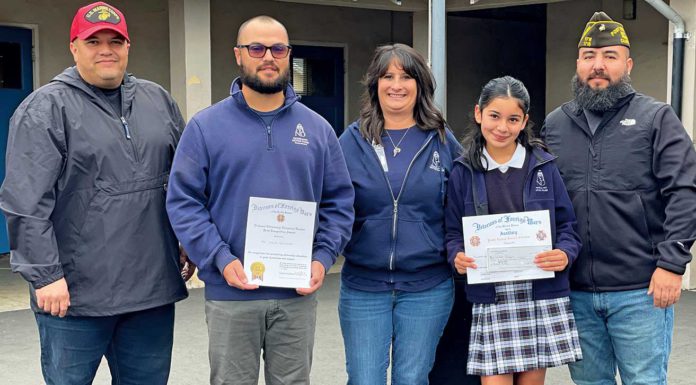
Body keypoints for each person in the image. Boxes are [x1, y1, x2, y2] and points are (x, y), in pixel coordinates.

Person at [0, 2, 192, 384]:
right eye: (94, 41)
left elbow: (185, 181)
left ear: (127, 46)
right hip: (73, 297)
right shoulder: (45, 109)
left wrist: (188, 240)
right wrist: (45, 275)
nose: (106, 49)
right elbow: (25, 202)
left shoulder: (158, 101)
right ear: (74, 47)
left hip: (151, 291)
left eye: (115, 40)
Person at [165, 15, 354, 385]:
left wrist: (322, 257)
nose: (268, 56)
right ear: (239, 55)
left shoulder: (317, 130)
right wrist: (219, 258)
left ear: (288, 55)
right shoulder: (205, 127)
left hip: (295, 294)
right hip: (231, 292)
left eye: (278, 48)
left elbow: (339, 202)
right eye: (256, 48)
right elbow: (184, 202)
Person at [541, 11, 696, 385]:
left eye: (610, 56)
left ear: (627, 64)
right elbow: (539, 200)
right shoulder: (555, 125)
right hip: (574, 290)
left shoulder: (656, 118)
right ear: (578, 63)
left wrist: (672, 265)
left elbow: (684, 192)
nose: (598, 66)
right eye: (590, 56)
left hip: (640, 290)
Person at [446, 76, 583, 385]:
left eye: (512, 119)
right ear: (479, 113)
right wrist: (457, 256)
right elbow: (452, 233)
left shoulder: (544, 166)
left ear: (524, 122)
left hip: (539, 292)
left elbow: (568, 227)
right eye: (494, 116)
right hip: (491, 294)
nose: (502, 127)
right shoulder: (462, 171)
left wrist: (564, 253)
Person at [337, 43, 460, 385]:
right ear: (374, 83)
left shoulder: (441, 141)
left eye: (406, 76)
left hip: (427, 287)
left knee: (412, 379)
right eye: (387, 76)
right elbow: (327, 204)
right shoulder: (350, 140)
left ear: (420, 84)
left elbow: (467, 205)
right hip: (364, 286)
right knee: (364, 380)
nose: (396, 85)